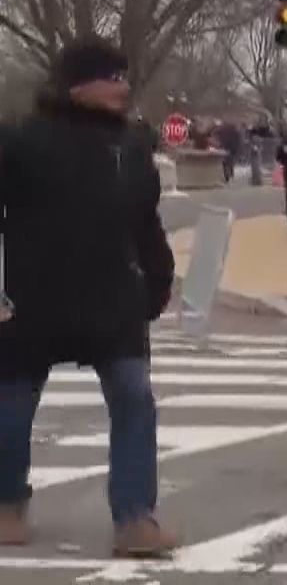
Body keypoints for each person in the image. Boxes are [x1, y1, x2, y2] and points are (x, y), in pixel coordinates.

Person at [0, 39, 177, 556]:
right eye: (113, 76)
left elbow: (146, 221)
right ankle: (6, 506)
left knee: (134, 400)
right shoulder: (21, 143)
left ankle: (135, 519)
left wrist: (159, 279)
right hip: (32, 297)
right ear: (80, 83)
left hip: (114, 298)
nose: (124, 86)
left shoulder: (133, 145)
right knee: (12, 405)